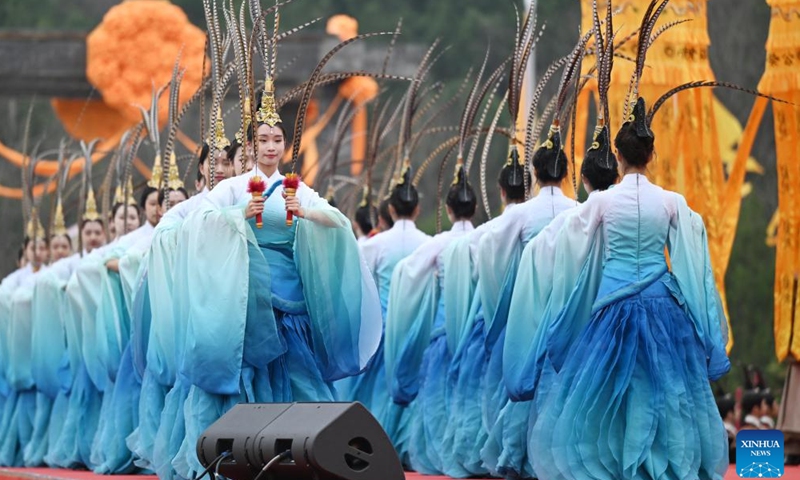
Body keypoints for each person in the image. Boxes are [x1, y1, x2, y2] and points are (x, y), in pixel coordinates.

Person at [170, 78, 381, 480]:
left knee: (301, 380)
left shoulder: (294, 187)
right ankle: (238, 457)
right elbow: (199, 223)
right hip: (247, 298)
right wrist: (238, 216)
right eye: (263, 139)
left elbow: (336, 221)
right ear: (251, 146)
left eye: (277, 139)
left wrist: (306, 214)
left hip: (290, 300)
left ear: (285, 145)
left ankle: (310, 455)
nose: (270, 147)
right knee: (246, 379)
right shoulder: (232, 189)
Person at [524, 97, 730, 480]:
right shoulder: (672, 203)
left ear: (616, 154)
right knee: (666, 391)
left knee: (607, 390)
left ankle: (615, 461)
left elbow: (562, 243)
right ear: (652, 154)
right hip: (663, 309)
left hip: (611, 310)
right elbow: (693, 262)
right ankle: (661, 463)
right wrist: (701, 319)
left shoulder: (602, 202)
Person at [384, 161, 477, 474]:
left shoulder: (437, 244)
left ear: (448, 210)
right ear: (474, 208)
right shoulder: (485, 238)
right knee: (470, 395)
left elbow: (406, 273)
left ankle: (440, 453)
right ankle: (470, 451)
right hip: (476, 332)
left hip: (441, 331)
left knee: (437, 400)